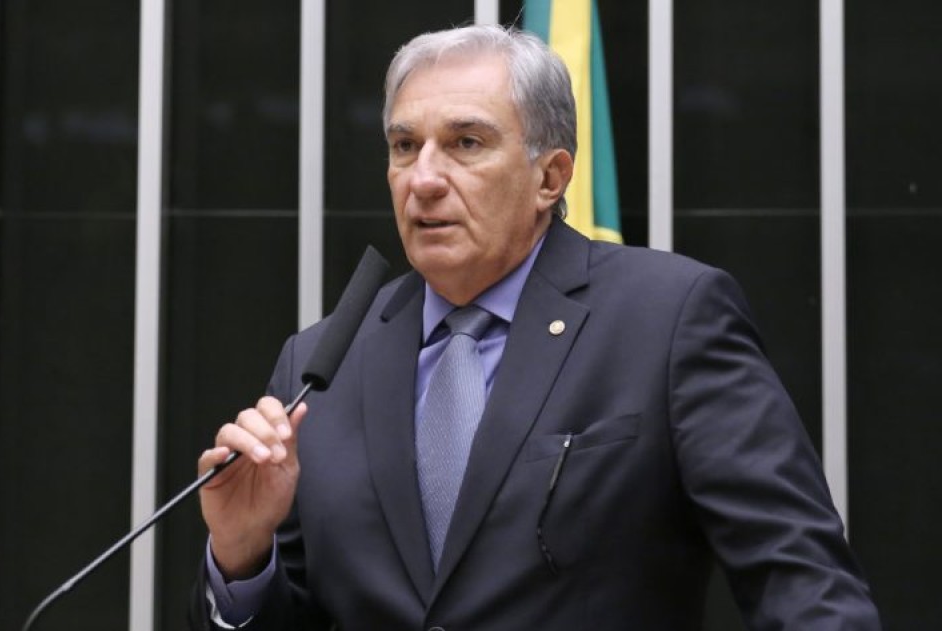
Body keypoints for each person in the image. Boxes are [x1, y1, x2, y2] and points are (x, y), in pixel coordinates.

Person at [189, 24, 880, 630]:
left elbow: (800, 578)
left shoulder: (668, 319)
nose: (423, 178)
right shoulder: (319, 365)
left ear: (551, 176)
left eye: (465, 143)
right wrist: (243, 557)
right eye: (404, 145)